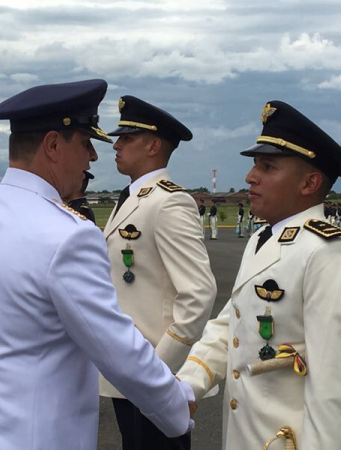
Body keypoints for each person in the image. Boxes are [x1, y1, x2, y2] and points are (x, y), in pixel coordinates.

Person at [0, 80, 195, 450]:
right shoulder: (67, 235)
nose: (93, 158)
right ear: (52, 145)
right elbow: (115, 346)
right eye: (85, 144)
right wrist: (176, 406)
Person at [177, 101, 341, 450]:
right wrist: (188, 382)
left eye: (268, 166)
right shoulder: (262, 238)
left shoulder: (326, 253)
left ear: (310, 183)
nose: (250, 177)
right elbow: (232, 325)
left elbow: (331, 390)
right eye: (255, 165)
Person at [100, 95, 217, 450]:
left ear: (153, 145)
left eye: (127, 138)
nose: (116, 145)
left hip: (152, 373)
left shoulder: (169, 202)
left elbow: (198, 294)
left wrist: (156, 371)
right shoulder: (132, 197)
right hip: (130, 371)